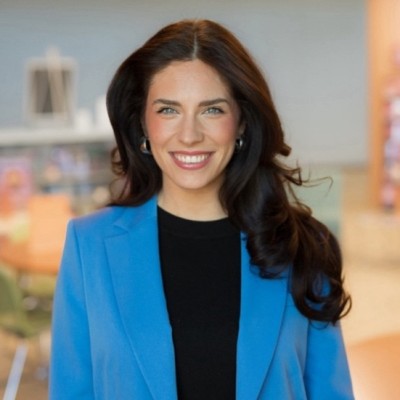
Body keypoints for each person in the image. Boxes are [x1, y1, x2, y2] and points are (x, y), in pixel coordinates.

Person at [49, 19, 354, 400]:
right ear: (142, 123)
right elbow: (72, 390)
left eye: (212, 110)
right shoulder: (89, 246)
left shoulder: (304, 246)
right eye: (168, 110)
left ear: (241, 123)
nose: (189, 135)